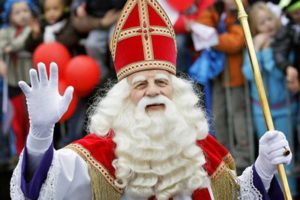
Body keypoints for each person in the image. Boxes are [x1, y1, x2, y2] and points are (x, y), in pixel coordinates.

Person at [10, 0, 292, 199]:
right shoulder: (97, 154)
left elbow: (235, 196)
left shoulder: (201, 149)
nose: (153, 91)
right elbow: (42, 190)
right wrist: (40, 135)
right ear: (122, 97)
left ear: (176, 91)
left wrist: (263, 168)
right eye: (141, 84)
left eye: (161, 82)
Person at [243, 1, 299, 196]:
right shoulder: (253, 47)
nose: (267, 25)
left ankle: (289, 192)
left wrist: (266, 51)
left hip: (284, 108)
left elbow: (277, 74)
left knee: (284, 154)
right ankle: (275, 194)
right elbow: (249, 75)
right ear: (255, 28)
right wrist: (256, 51)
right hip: (261, 110)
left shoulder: (283, 43)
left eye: (269, 19)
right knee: (268, 155)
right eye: (261, 23)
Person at [196, 0, 250, 169]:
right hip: (218, 77)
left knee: (238, 117)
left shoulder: (240, 12)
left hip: (235, 77)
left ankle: (244, 156)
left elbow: (236, 42)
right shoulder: (215, 9)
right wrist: (216, 35)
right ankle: (224, 156)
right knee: (218, 116)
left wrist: (212, 38)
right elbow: (200, 26)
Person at [0, 0, 39, 155]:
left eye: (25, 11)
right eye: (17, 12)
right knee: (17, 120)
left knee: (32, 118)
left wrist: (11, 47)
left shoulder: (33, 30)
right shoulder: (4, 32)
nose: (22, 15)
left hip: (30, 80)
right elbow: (2, 47)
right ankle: (19, 153)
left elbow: (17, 44)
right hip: (13, 82)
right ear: (9, 16)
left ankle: (34, 152)